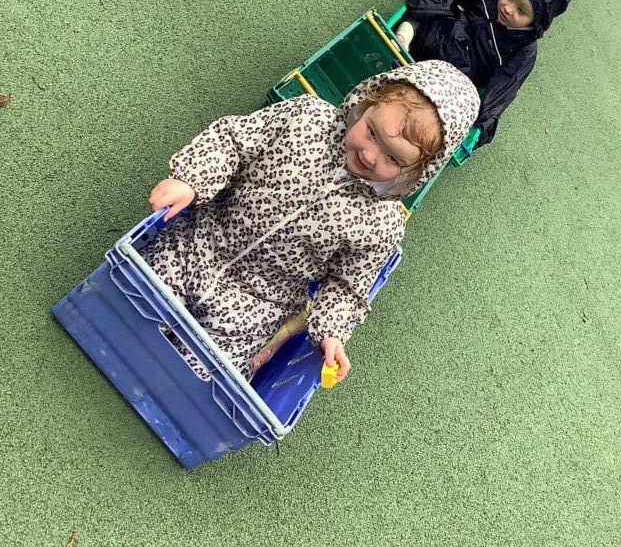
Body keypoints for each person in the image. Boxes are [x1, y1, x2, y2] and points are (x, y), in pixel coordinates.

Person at [143, 60, 480, 381]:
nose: (369, 154)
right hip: (198, 241)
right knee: (140, 297)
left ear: (417, 171)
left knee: (200, 373)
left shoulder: (383, 223)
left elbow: (346, 286)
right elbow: (233, 141)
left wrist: (332, 332)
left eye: (393, 158)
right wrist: (191, 180)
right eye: (371, 132)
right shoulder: (306, 119)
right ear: (366, 104)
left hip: (257, 301)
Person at [395, 0, 570, 149]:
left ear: (536, 21)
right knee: (434, 4)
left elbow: (502, 92)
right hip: (444, 34)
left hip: (458, 75)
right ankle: (404, 37)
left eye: (521, 10)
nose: (508, 8)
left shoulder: (524, 51)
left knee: (450, 107)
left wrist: (479, 129)